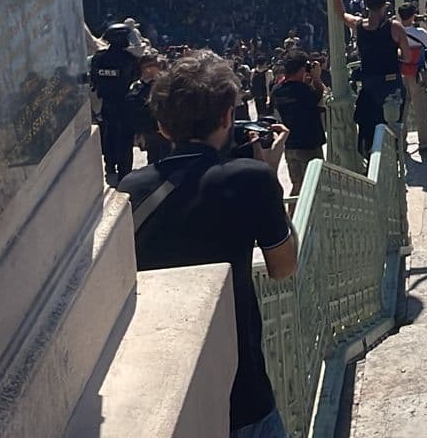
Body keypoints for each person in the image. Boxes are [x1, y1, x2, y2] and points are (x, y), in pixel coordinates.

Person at [119, 54, 297, 438]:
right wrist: (270, 175)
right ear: (228, 116)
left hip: (166, 393)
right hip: (241, 391)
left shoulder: (130, 189)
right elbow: (283, 267)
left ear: (163, 126)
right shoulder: (252, 179)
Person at [327, 0, 404, 162]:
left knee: (368, 126)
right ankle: (393, 160)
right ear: (384, 7)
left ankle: (370, 160)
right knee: (392, 124)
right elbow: (407, 56)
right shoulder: (394, 27)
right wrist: (397, 52)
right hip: (391, 85)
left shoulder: (359, 25)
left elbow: (341, 13)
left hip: (369, 86)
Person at [269, 54, 327, 197]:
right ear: (302, 69)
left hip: (290, 145)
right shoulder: (303, 90)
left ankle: (293, 210)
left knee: (297, 185)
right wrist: (316, 78)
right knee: (315, 185)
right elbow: (319, 94)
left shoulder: (277, 90)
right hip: (309, 145)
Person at [90, 22, 140, 185]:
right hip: (124, 104)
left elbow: (94, 80)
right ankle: (124, 170)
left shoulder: (99, 58)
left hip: (106, 103)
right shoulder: (129, 59)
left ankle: (110, 165)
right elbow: (136, 77)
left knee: (109, 133)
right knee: (125, 136)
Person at [398, 4, 427, 155]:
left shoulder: (396, 32)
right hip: (418, 74)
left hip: (401, 74)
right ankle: (425, 142)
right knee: (421, 109)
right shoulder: (419, 33)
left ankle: (400, 143)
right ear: (413, 15)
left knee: (402, 110)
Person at [127, 52, 172, 166]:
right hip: (149, 130)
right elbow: (133, 110)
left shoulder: (166, 84)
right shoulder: (137, 88)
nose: (159, 68)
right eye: (155, 65)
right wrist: (139, 132)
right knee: (154, 158)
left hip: (166, 128)